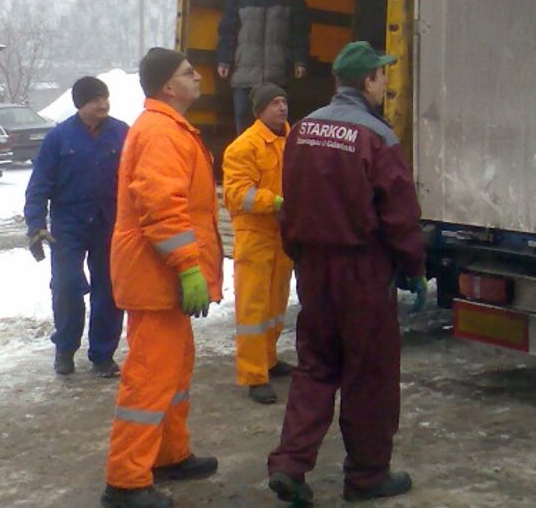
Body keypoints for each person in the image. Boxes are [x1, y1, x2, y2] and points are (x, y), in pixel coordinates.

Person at [267, 41, 426, 507]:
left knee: (315, 367)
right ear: (366, 82)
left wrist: (299, 252)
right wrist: (413, 266)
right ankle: (367, 477)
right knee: (369, 374)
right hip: (362, 270)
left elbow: (288, 200)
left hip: (314, 268)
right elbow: (398, 212)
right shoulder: (377, 137)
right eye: (382, 76)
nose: (385, 83)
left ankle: (290, 466)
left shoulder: (303, 130)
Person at [101, 48, 223, 508]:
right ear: (168, 86)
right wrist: (189, 266)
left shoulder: (168, 128)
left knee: (174, 371)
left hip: (162, 280)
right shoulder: (159, 131)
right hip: (158, 278)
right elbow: (162, 208)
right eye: (189, 74)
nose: (198, 80)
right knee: (150, 378)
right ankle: (125, 482)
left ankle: (170, 454)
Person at [24, 76, 128, 377]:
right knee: (67, 286)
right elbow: (39, 184)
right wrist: (35, 225)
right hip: (67, 226)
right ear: (80, 104)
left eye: (105, 97)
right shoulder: (59, 138)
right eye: (96, 99)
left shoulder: (122, 133)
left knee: (108, 290)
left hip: (109, 223)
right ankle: (65, 349)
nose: (103, 104)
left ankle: (102, 355)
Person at [222, 82, 294, 405]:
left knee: (277, 302)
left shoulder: (292, 140)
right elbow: (238, 194)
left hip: (282, 235)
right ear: (259, 110)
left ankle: (269, 359)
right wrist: (276, 202)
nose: (282, 107)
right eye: (274, 103)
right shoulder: (243, 147)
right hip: (255, 235)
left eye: (284, 101)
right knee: (253, 306)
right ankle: (254, 375)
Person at [216, 0, 312, 133]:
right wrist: (224, 60)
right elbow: (227, 31)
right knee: (244, 127)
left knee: (274, 128)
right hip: (245, 76)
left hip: (276, 77)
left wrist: (300, 60)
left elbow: (300, 32)